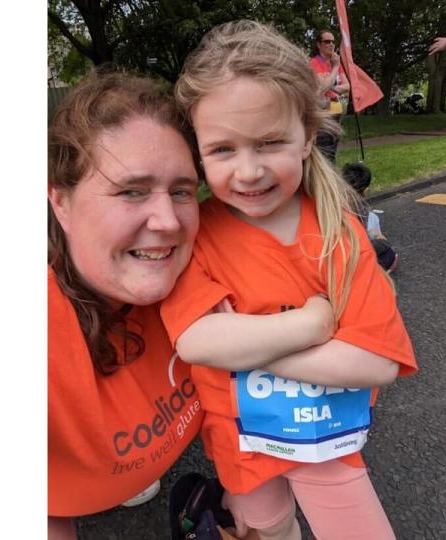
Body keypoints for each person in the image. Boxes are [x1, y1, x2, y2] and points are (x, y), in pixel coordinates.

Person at [165, 20, 417, 540]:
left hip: (327, 437)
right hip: (241, 441)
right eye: (223, 150)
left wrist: (246, 345)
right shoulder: (198, 234)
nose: (250, 170)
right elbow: (196, 339)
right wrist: (314, 323)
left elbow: (375, 360)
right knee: (267, 528)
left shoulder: (336, 230)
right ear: (198, 150)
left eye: (270, 142)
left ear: (307, 137)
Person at [47, 73, 207, 539]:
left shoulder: (210, 262)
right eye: (131, 191)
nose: (168, 221)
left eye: (182, 190)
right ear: (60, 201)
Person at [342, 162, 398, 274]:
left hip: (331, 256)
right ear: (366, 191)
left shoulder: (329, 205)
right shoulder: (368, 216)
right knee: (391, 254)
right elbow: (377, 237)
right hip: (353, 257)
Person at [310, 29, 350, 164]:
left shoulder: (335, 63)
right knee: (324, 153)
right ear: (319, 45)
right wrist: (335, 67)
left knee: (332, 151)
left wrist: (332, 86)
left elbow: (347, 86)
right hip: (323, 113)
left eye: (333, 41)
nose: (331, 44)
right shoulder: (314, 63)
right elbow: (322, 87)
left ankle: (331, 181)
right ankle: (325, 182)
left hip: (336, 113)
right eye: (327, 41)